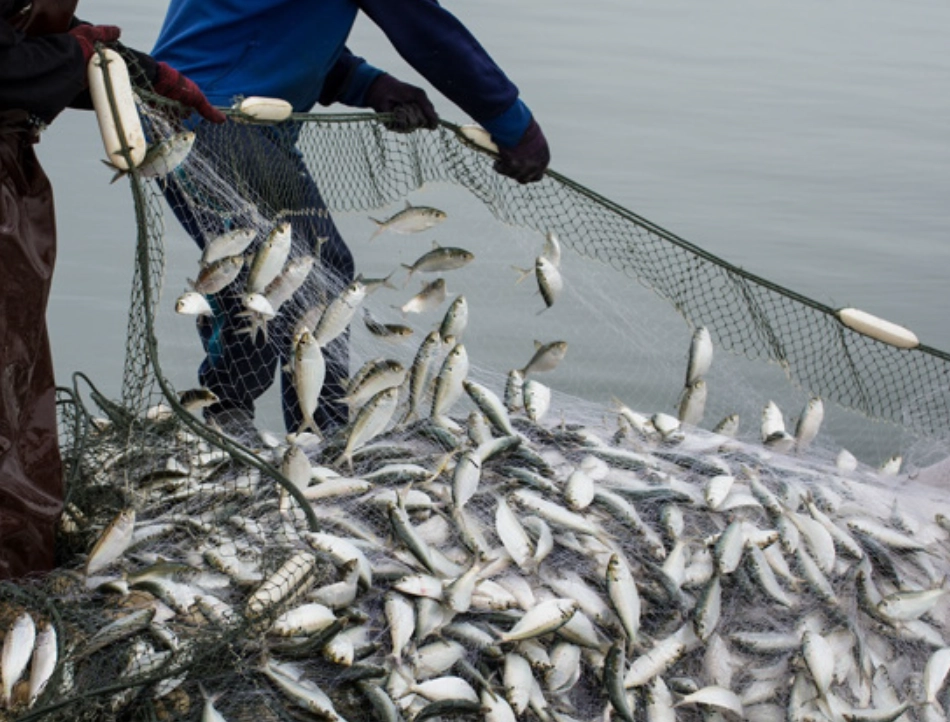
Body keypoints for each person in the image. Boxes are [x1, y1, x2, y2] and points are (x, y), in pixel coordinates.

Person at [151, 0, 551, 439]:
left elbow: (271, 23)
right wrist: (513, 123)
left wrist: (366, 84)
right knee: (303, 276)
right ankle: (297, 429)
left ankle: (263, 423)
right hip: (214, 120)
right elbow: (424, 28)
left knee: (286, 273)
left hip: (204, 111)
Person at [0, 0, 223, 579]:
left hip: (10, 177)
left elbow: (28, 48)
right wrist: (76, 56)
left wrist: (141, 74)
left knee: (17, 379)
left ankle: (21, 566)